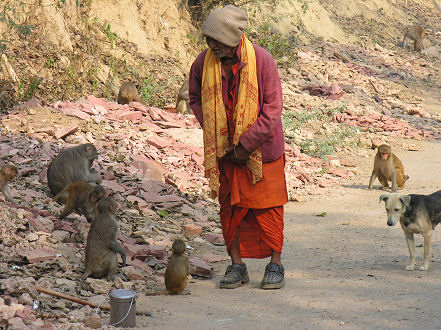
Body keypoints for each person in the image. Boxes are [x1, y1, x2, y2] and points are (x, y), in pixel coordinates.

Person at [188, 4, 288, 290]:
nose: (212, 46)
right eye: (208, 40)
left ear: (233, 38)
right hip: (224, 151)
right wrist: (215, 130)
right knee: (230, 208)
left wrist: (245, 145)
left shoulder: (262, 60)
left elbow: (272, 109)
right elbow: (195, 98)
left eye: (217, 40)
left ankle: (276, 265)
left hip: (262, 151)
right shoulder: (202, 63)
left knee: (269, 207)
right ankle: (236, 266)